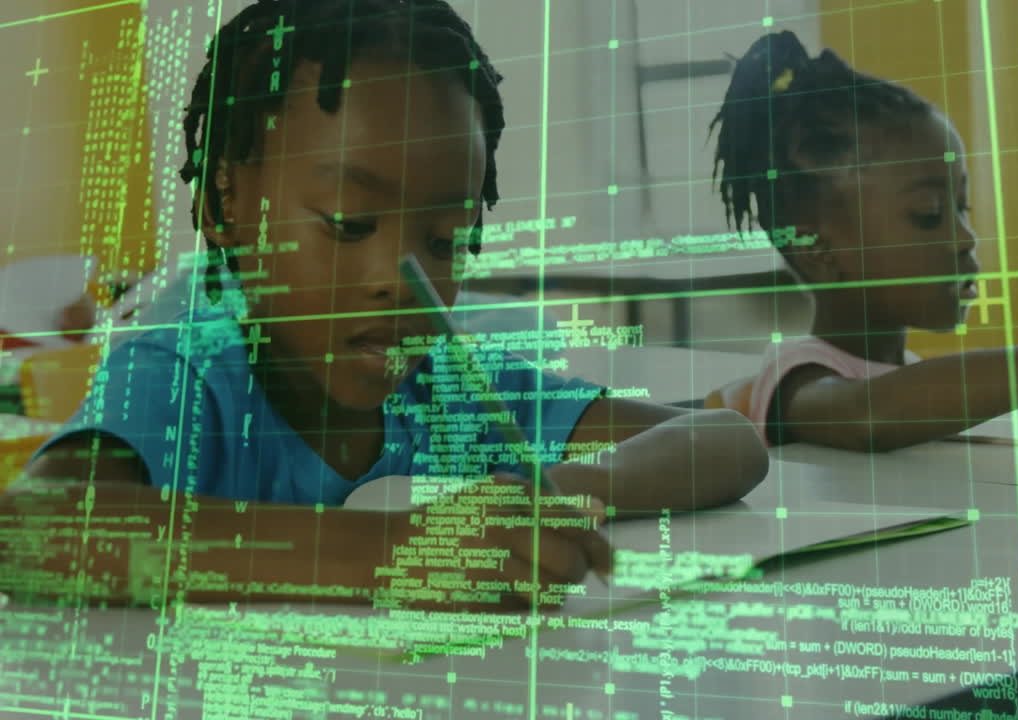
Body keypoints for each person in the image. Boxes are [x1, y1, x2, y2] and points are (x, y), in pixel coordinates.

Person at [3, 0, 767, 612]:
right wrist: (400, 550)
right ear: (226, 201)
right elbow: (35, 531)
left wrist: (543, 496)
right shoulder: (185, 371)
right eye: (349, 224)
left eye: (445, 238)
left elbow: (725, 440)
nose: (405, 280)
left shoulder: (448, 390)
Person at [704, 31, 1018, 452]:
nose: (964, 237)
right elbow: (869, 417)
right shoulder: (798, 378)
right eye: (928, 215)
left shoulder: (907, 378)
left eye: (962, 208)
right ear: (819, 250)